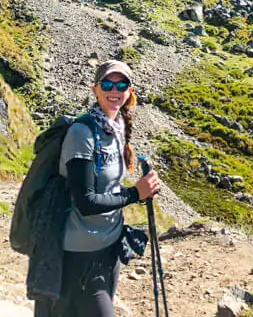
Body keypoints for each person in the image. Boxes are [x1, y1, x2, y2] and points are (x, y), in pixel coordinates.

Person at [55, 59, 161, 317]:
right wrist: (135, 193)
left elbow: (110, 186)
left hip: (109, 246)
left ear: (129, 91)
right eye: (107, 84)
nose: (115, 89)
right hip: (81, 253)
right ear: (95, 90)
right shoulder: (82, 133)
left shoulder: (116, 127)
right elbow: (86, 202)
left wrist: (142, 188)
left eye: (122, 83)